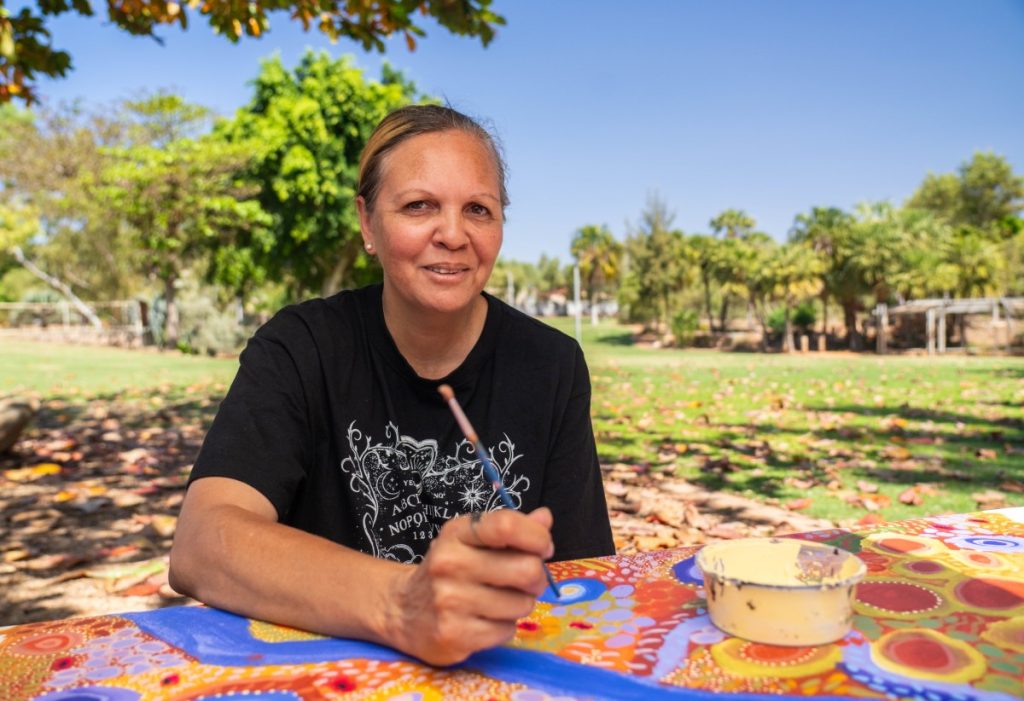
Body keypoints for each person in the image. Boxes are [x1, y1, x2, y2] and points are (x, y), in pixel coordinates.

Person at [168, 104, 614, 666]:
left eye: (478, 209)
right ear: (367, 223)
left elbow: (583, 579)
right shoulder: (300, 347)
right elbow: (201, 544)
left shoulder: (552, 364)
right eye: (419, 205)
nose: (452, 234)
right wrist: (404, 604)